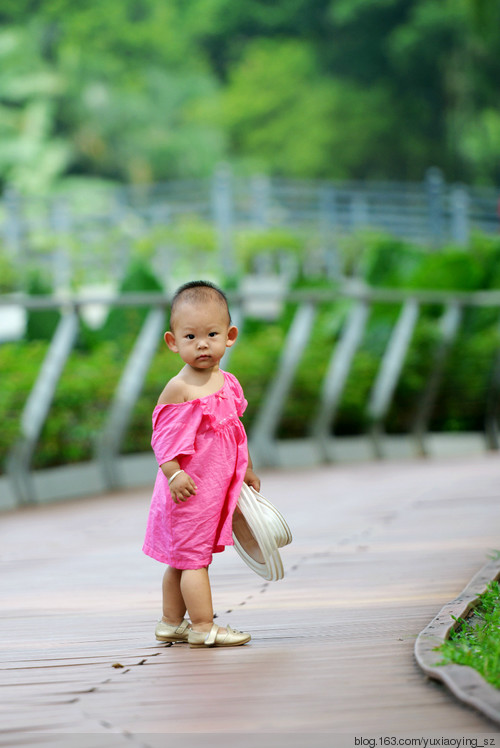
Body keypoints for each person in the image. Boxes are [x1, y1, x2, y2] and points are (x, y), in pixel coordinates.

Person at [143, 280, 261, 648]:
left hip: (213, 490)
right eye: (190, 336)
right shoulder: (180, 389)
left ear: (230, 336)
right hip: (188, 491)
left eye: (211, 334)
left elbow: (236, 432)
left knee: (182, 559)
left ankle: (170, 622)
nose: (202, 344)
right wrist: (175, 473)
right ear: (172, 342)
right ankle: (203, 625)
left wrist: (248, 470)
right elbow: (163, 439)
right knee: (193, 560)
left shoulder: (226, 383)